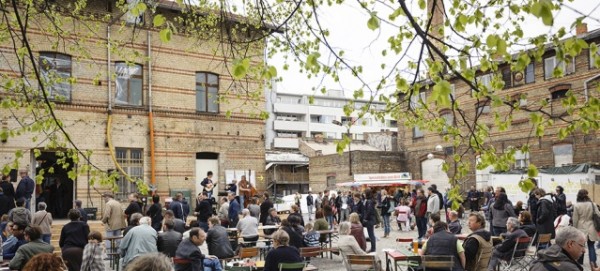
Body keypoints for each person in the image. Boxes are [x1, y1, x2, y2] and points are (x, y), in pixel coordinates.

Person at [572, 188, 599, 268]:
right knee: (591, 246)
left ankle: (580, 261)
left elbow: (575, 219)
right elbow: (598, 214)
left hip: (581, 228)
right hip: (591, 227)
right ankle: (593, 263)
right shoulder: (593, 204)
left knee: (580, 245)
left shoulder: (576, 205)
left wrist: (574, 229)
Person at [363, 188, 377, 252]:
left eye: (364, 193)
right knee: (371, 234)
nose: (363, 194)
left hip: (370, 220)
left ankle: (373, 249)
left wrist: (365, 218)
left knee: (371, 235)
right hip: (371, 219)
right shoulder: (370, 200)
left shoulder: (369, 201)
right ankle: (373, 248)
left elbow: (369, 211)